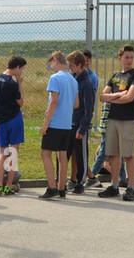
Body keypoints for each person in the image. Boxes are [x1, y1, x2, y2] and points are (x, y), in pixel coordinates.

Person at [97, 45, 134, 202]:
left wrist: (113, 96)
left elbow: (129, 97)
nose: (130, 60)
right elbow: (102, 96)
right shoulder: (115, 76)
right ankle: (114, 185)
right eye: (126, 57)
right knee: (113, 154)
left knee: (129, 155)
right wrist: (118, 94)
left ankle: (130, 187)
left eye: (132, 57)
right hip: (112, 119)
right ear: (120, 58)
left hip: (128, 120)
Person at [39, 51, 79, 199]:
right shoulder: (73, 80)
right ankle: (61, 188)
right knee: (62, 155)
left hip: (55, 123)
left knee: (46, 153)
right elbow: (76, 104)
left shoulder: (54, 78)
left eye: (51, 63)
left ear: (56, 60)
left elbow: (54, 101)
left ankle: (52, 187)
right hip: (67, 124)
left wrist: (46, 123)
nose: (51, 66)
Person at [0, 56, 26, 196]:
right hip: (14, 119)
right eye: (22, 68)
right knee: (13, 152)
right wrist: (19, 83)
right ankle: (8, 186)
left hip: (1, 120)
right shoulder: (12, 83)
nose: (22, 71)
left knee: (2, 152)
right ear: (17, 67)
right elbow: (20, 102)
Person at [66, 50, 96, 194]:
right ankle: (68, 180)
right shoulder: (73, 78)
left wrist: (82, 128)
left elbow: (89, 109)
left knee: (81, 155)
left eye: (71, 65)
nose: (69, 67)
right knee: (69, 153)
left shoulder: (87, 83)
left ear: (79, 65)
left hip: (80, 125)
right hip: (70, 123)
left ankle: (80, 181)